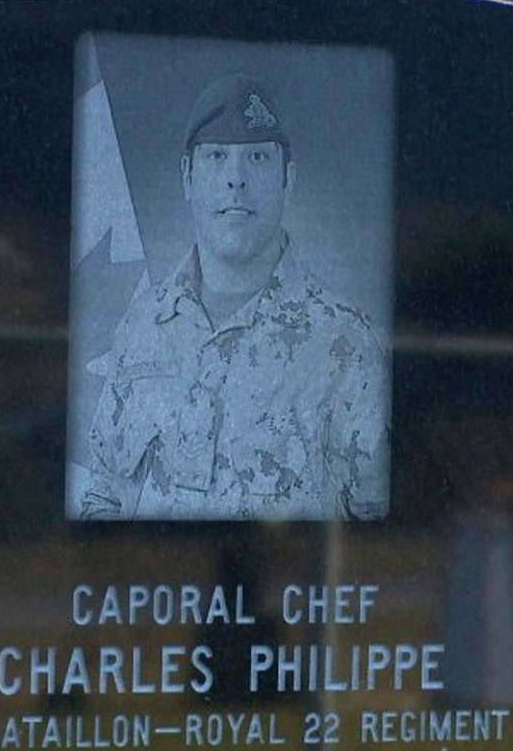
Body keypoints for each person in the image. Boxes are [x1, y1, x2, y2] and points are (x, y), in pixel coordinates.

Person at [81, 73, 389, 520]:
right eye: (217, 156)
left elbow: (381, 540)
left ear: (289, 176)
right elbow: (103, 496)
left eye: (258, 158)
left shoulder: (348, 347)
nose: (235, 180)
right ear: (187, 176)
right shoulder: (141, 326)